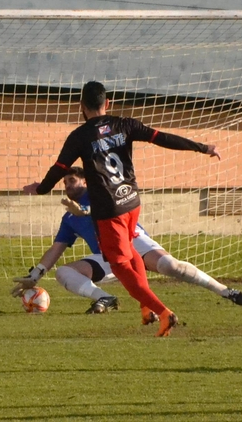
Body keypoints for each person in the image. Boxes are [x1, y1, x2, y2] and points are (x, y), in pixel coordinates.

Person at [24, 81, 220, 337]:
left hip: (109, 212)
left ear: (81, 107)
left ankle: (162, 312)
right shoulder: (125, 124)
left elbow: (59, 169)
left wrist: (40, 189)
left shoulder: (80, 136)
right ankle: (145, 309)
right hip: (131, 204)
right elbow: (163, 138)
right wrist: (202, 147)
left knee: (120, 267)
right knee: (132, 254)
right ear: (107, 104)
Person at [12, 167, 242, 317]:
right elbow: (56, 248)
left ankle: (225, 291)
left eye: (71, 180)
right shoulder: (69, 217)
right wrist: (35, 276)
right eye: (64, 183)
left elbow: (108, 209)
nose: (67, 186)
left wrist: (85, 211)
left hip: (133, 240)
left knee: (171, 267)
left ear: (85, 181)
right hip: (110, 255)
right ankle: (104, 298)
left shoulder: (100, 192)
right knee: (63, 273)